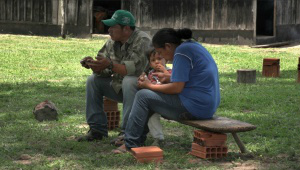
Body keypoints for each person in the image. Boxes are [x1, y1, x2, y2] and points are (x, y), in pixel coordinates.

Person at [114, 28, 220, 152]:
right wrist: (169, 77)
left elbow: (176, 88)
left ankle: (130, 143)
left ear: (168, 46)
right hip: (207, 106)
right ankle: (134, 138)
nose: (163, 58)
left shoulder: (181, 52)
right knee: (148, 97)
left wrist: (149, 86)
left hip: (195, 107)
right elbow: (193, 77)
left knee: (143, 96)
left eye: (160, 52)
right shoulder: (192, 46)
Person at [78, 10, 151, 142]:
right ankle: (96, 130)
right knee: (93, 80)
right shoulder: (111, 42)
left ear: (127, 29)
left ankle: (127, 133)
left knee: (129, 81)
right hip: (120, 87)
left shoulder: (143, 40)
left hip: (143, 91)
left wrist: (109, 65)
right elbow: (105, 69)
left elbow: (133, 71)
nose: (109, 30)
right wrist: (95, 66)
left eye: (113, 27)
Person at [144, 47, 172, 146]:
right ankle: (158, 138)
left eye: (159, 59)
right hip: (155, 102)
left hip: (168, 102)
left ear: (166, 59)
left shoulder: (170, 71)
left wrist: (164, 72)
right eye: (153, 60)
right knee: (151, 116)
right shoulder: (151, 74)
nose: (156, 62)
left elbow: (173, 82)